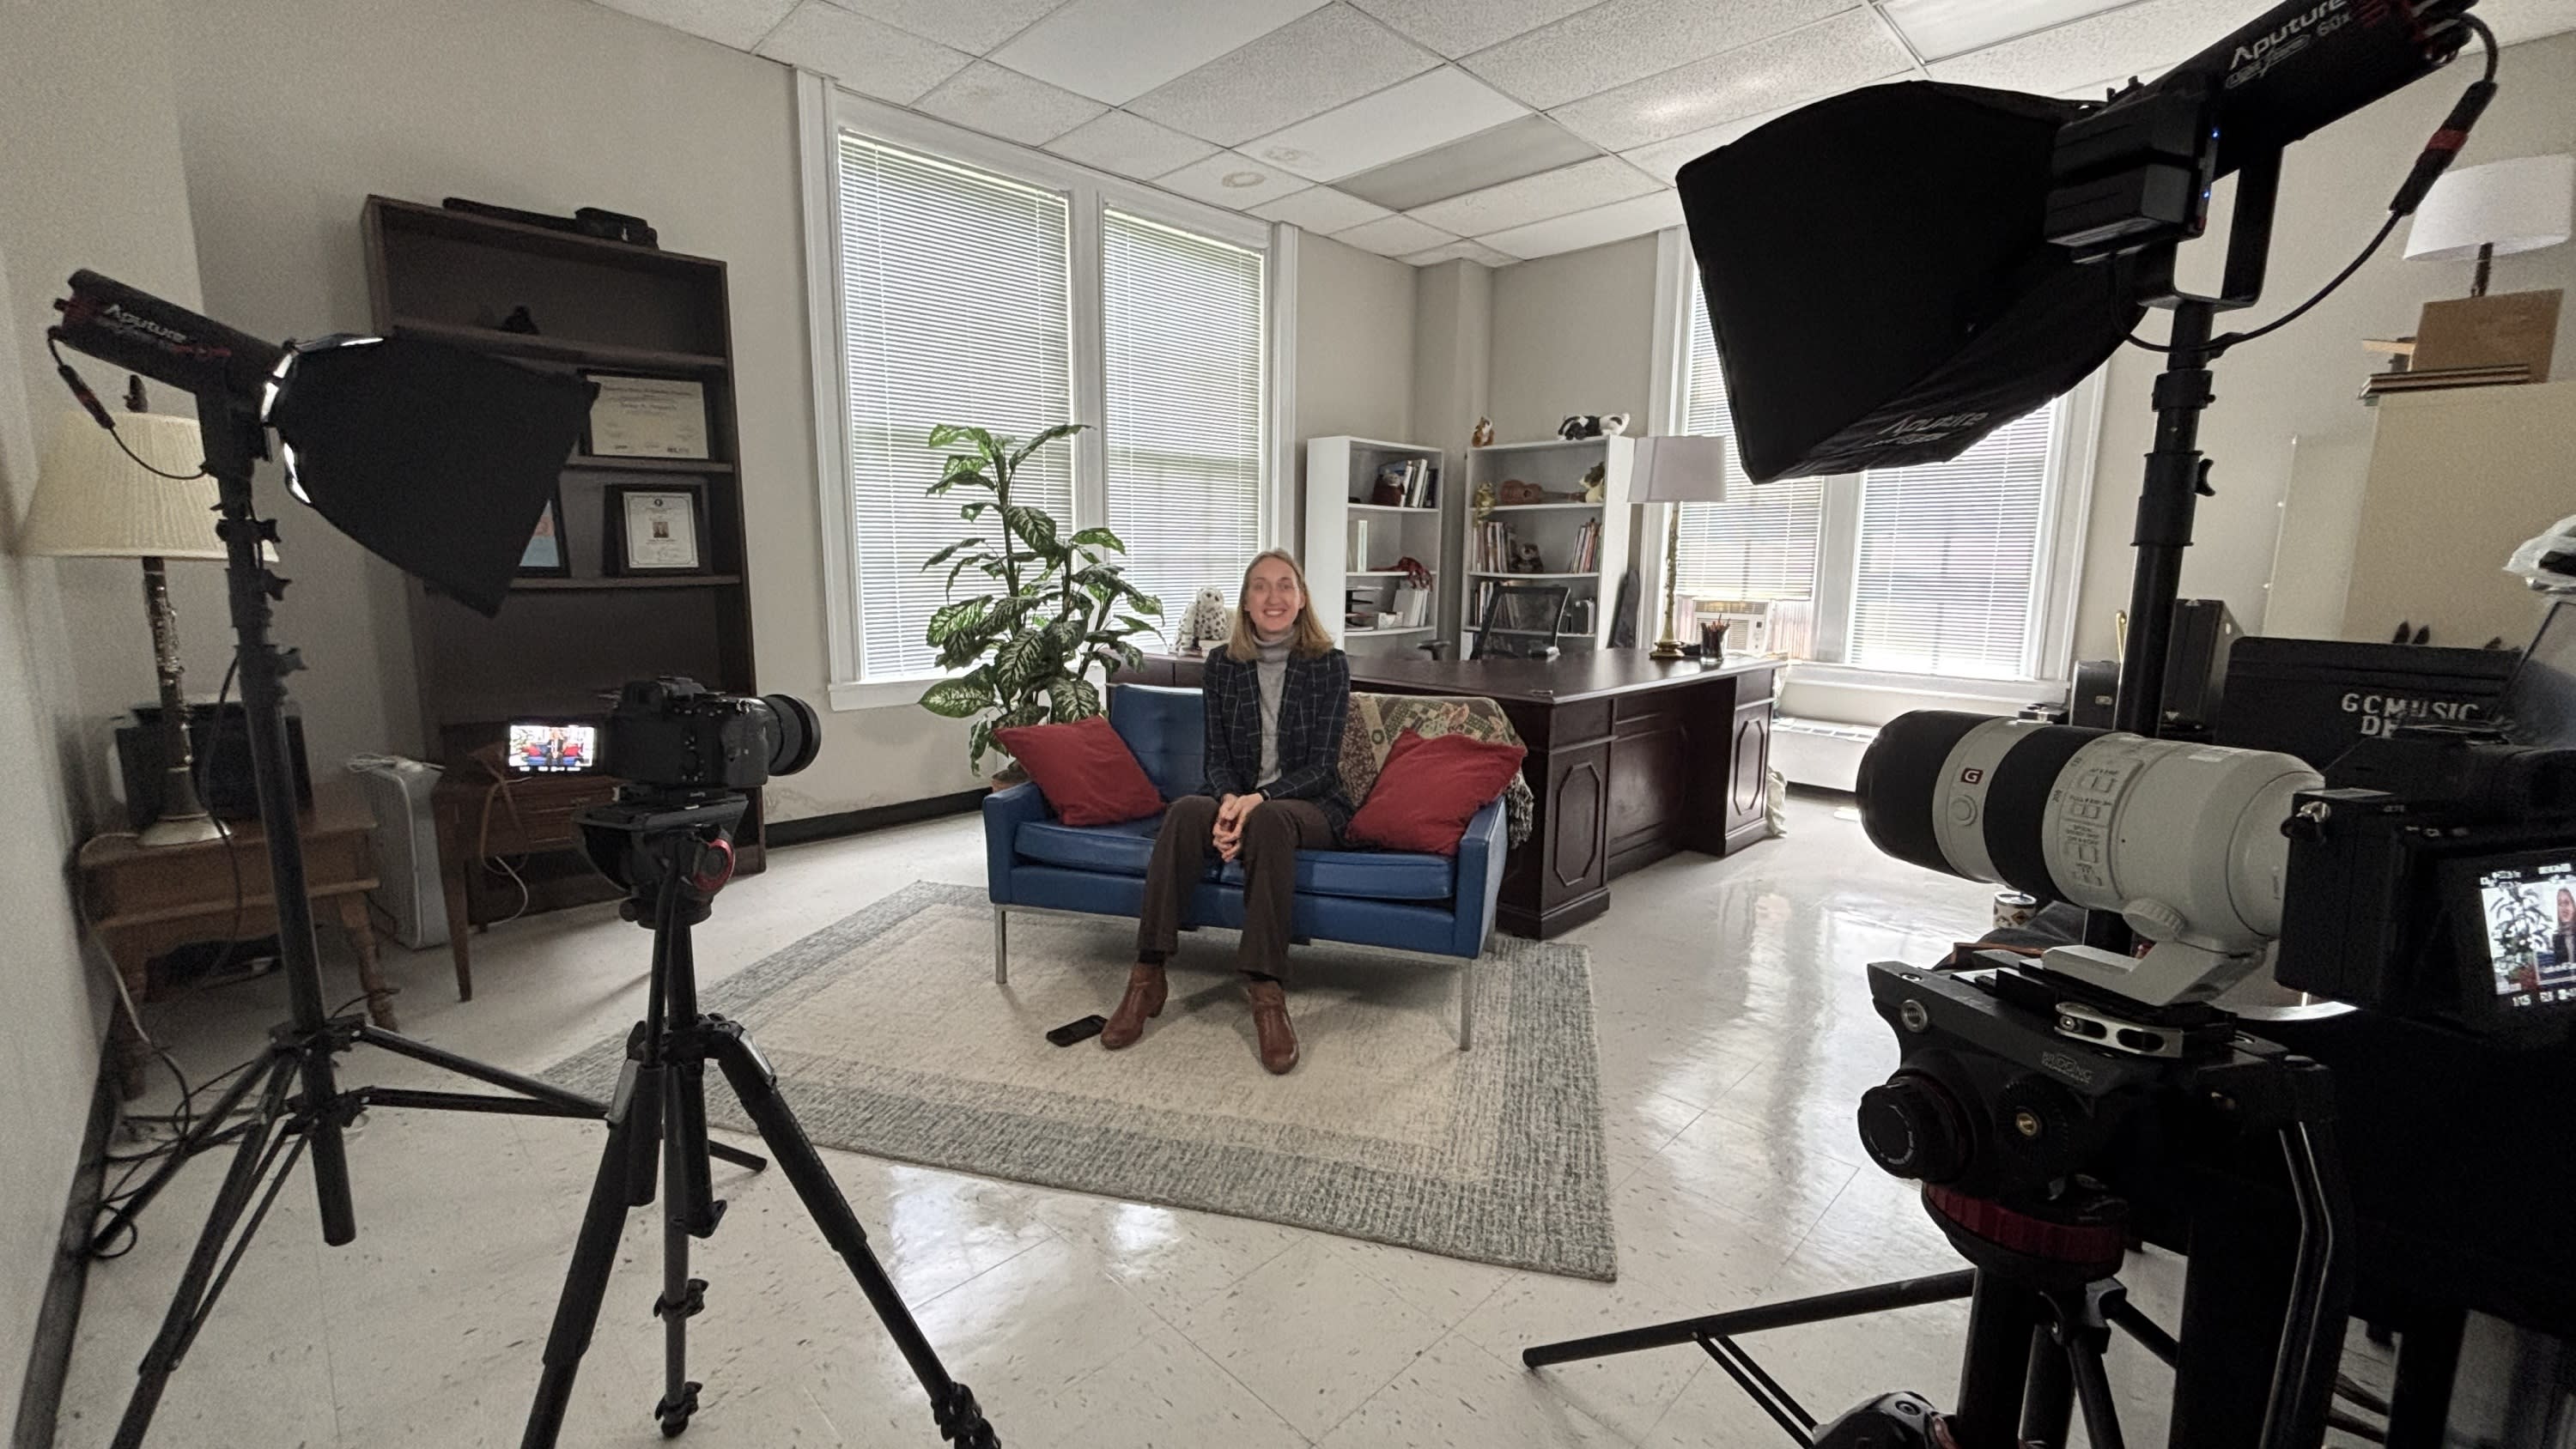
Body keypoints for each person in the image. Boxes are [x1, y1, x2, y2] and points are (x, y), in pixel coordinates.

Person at [1106, 549, 1352, 1074]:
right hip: (1236, 799)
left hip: (1307, 806)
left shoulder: (1329, 664)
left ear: (1302, 598)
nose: (1274, 597)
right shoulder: (1223, 664)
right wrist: (1226, 804)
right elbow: (1216, 757)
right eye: (1260, 587)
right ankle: (1147, 976)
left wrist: (1255, 802)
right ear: (1245, 601)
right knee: (1182, 813)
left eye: (1285, 585)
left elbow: (1323, 767)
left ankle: (1266, 992)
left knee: (1268, 819)